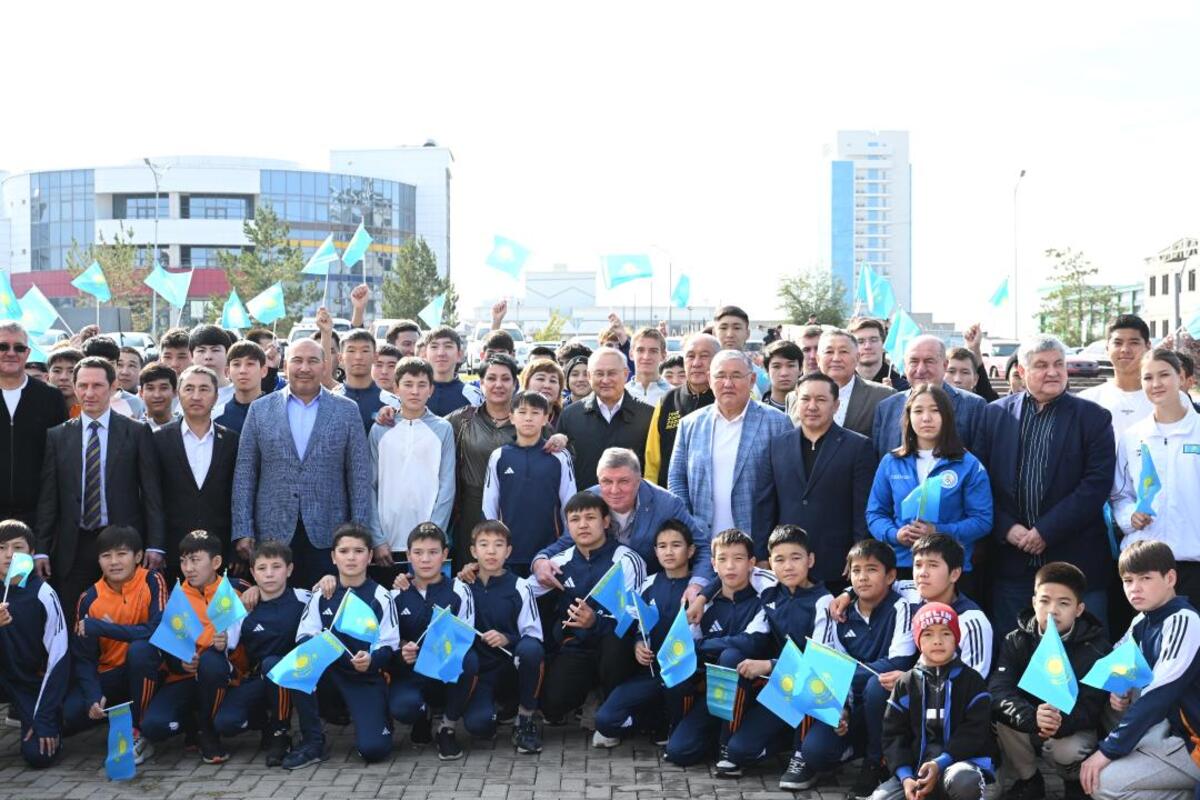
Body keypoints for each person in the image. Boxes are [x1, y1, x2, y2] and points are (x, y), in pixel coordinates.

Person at [976, 335, 1116, 633]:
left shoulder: (1093, 418)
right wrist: (1006, 528)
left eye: (1058, 364)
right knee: (1014, 650)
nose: (1052, 372)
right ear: (1022, 371)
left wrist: (1046, 530)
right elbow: (979, 483)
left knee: (1084, 653)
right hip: (1011, 564)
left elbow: (1096, 484)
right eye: (1041, 365)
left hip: (1076, 563)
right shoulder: (994, 415)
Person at [232, 339, 380, 589]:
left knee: (327, 604)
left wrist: (360, 532)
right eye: (297, 361)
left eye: (312, 361)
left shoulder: (346, 410)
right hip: (272, 533)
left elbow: (359, 475)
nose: (304, 368)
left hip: (330, 533)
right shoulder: (260, 410)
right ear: (285, 365)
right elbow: (245, 473)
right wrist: (242, 529)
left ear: (325, 366)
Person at [36, 356, 165, 624]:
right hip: (74, 545)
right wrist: (42, 549)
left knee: (123, 621)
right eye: (83, 385)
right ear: (74, 387)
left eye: (97, 385)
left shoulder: (136, 432)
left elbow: (152, 493)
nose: (89, 393)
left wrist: (155, 544)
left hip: (123, 542)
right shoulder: (58, 436)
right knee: (73, 620)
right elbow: (49, 498)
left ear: (113, 386)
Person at [1081, 540, 1200, 800]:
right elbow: (1112, 666)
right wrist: (1119, 689)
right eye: (1128, 580)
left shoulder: (1185, 621)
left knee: (1102, 783)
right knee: (1114, 700)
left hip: (1192, 740)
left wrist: (1107, 750)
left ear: (1170, 578)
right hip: (1167, 730)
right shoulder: (1141, 620)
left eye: (1145, 578)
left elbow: (1159, 695)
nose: (1135, 588)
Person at [797, 540, 914, 797]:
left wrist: (841, 676)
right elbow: (830, 664)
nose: (862, 577)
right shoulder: (839, 612)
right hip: (851, 699)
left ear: (890, 576)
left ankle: (876, 762)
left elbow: (897, 663)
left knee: (877, 685)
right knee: (815, 752)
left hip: (886, 701)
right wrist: (844, 706)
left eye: (872, 569)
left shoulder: (902, 606)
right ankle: (854, 747)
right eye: (856, 570)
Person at [990, 561, 1109, 800]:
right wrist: (1032, 716)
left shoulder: (1096, 647)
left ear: (1079, 609)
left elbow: (1093, 706)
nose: (1052, 610)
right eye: (1044, 601)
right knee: (1001, 718)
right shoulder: (1016, 640)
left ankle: (1073, 781)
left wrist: (1058, 722)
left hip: (1070, 729)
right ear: (1034, 602)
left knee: (1067, 751)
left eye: (1063, 603)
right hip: (1028, 722)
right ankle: (1029, 779)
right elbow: (999, 690)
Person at [721, 526, 832, 779]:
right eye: (780, 560)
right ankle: (784, 739)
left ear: (810, 560)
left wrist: (769, 665)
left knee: (811, 680)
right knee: (739, 751)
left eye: (796, 558)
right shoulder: (769, 591)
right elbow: (727, 573)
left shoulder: (824, 601)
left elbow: (817, 662)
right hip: (783, 688)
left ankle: (801, 756)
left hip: (816, 689)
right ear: (770, 563)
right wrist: (701, 598)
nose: (788, 566)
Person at [529, 493, 646, 727]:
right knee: (552, 706)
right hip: (578, 647)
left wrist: (595, 622)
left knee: (615, 642)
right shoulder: (559, 562)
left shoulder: (627, 560)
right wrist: (477, 573)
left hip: (615, 647)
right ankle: (591, 695)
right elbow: (520, 592)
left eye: (590, 518)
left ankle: (613, 709)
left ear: (606, 522)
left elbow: (635, 620)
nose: (582, 525)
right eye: (575, 519)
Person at [287, 524, 398, 768]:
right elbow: (304, 636)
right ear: (333, 557)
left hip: (363, 677)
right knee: (298, 666)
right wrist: (322, 646)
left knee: (373, 750)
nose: (351, 557)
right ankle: (312, 742)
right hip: (329, 673)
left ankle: (380, 719)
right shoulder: (322, 593)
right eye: (344, 551)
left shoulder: (381, 596)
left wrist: (371, 660)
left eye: (358, 551)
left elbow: (389, 645)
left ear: (370, 556)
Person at [755, 372, 877, 591]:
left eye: (821, 400)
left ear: (836, 405)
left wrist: (858, 553)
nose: (812, 406)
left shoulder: (858, 447)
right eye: (805, 399)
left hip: (837, 564)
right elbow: (764, 505)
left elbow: (863, 508)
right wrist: (763, 555)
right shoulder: (776, 446)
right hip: (787, 563)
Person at [866, 384, 992, 594]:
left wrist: (938, 531)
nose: (926, 418)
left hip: (949, 568)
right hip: (902, 566)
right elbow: (875, 513)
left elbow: (982, 520)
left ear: (947, 416)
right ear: (908, 416)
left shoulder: (967, 464)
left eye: (935, 410)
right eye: (918, 411)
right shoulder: (891, 461)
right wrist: (895, 534)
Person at [663, 528, 772, 768]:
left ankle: (729, 742)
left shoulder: (764, 597)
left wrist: (702, 646)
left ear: (751, 563)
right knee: (679, 752)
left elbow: (751, 642)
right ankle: (693, 731)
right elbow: (686, 648)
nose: (730, 566)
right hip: (715, 692)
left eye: (738, 558)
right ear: (713, 564)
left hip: (753, 692)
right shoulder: (703, 605)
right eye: (722, 559)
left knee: (732, 656)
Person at [869, 602, 999, 800]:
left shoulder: (972, 681)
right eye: (928, 634)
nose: (937, 641)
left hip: (957, 765)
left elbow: (975, 732)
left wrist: (940, 763)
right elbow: (893, 735)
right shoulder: (906, 683)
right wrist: (905, 777)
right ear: (917, 640)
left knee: (965, 782)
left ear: (956, 638)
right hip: (916, 770)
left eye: (946, 633)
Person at [669, 350, 791, 559]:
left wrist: (772, 548)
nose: (728, 383)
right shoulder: (690, 424)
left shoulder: (777, 422)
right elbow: (676, 479)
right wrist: (689, 526)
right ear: (709, 379)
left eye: (736, 376)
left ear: (752, 380)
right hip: (703, 544)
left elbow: (787, 487)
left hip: (756, 547)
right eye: (720, 376)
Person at [140, 530, 247, 764]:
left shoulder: (237, 590)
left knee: (212, 662)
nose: (188, 568)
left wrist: (227, 647)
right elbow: (167, 647)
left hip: (224, 677)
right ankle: (191, 724)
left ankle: (208, 733)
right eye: (183, 561)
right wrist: (181, 663)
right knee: (154, 726)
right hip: (185, 679)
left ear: (216, 562)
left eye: (195, 560)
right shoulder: (176, 596)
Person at [63, 525, 164, 763]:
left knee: (140, 650)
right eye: (106, 555)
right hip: (110, 674)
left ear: (138, 557)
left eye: (122, 554)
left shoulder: (152, 580)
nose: (114, 562)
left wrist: (102, 627)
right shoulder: (89, 598)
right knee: (69, 715)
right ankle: (118, 716)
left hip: (149, 670)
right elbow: (84, 658)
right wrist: (93, 695)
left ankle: (139, 730)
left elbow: (155, 631)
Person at [592, 519, 695, 748]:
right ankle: (653, 722)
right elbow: (636, 623)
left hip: (685, 675)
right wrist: (638, 644)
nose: (669, 552)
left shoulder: (698, 589)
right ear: (655, 551)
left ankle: (675, 726)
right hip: (652, 673)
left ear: (690, 551)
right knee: (605, 720)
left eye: (676, 545)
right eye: (662, 546)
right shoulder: (648, 584)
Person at [1112, 349, 1200, 602]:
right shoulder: (1133, 436)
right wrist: (1130, 516)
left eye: (1164, 375)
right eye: (1148, 378)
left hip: (1193, 564)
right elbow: (1120, 494)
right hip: (1144, 567)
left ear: (1181, 377)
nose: (1156, 384)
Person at [213, 541, 311, 767]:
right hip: (258, 678)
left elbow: (334, 598)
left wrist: (328, 579)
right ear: (253, 572)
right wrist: (220, 643)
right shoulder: (242, 606)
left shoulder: (305, 598)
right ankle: (265, 724)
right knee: (226, 723)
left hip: (298, 676)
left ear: (289, 569)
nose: (269, 574)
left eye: (276, 567)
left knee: (273, 664)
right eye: (262, 568)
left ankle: (281, 733)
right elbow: (226, 645)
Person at [387, 523, 476, 760]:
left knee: (469, 659)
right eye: (418, 552)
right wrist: (402, 648)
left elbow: (465, 636)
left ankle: (447, 727)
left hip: (445, 670)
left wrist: (435, 650)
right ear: (408, 555)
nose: (425, 559)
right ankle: (421, 715)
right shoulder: (395, 594)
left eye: (433, 552)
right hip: (412, 673)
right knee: (403, 708)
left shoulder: (459, 590)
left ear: (445, 554)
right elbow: (388, 640)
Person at [460, 521, 545, 754]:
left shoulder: (521, 586)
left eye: (498, 545)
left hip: (511, 667)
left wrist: (507, 638)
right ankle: (495, 711)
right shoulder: (462, 586)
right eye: (484, 545)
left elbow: (533, 635)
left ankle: (525, 718)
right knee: (479, 726)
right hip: (481, 672)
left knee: (531, 650)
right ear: (473, 551)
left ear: (508, 551)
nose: (491, 551)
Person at [153, 366, 239, 580]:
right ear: (178, 394)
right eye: (189, 389)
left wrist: (235, 545)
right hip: (172, 551)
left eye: (204, 389)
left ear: (216, 396)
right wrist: (156, 545)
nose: (196, 396)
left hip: (219, 551)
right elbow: (151, 497)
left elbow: (238, 496)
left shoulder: (231, 441)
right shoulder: (157, 439)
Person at [370, 357, 455, 563]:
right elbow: (369, 485)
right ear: (396, 388)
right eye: (408, 384)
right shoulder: (380, 429)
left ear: (431, 389)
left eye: (422, 385)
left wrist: (434, 535)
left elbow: (447, 486)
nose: (415, 391)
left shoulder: (443, 429)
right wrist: (377, 538)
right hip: (387, 541)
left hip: (428, 543)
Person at [482, 391, 577, 572]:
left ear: (545, 418)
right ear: (511, 417)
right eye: (522, 412)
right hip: (509, 554)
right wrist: (494, 547)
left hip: (550, 553)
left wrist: (565, 546)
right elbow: (489, 507)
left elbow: (570, 505)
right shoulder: (499, 456)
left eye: (535, 413)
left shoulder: (559, 456)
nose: (528, 418)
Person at [0, 520, 68, 768]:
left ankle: (38, 719)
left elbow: (59, 657)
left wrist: (45, 717)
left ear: (31, 553)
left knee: (39, 755)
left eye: (17, 547)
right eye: (1, 548)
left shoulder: (44, 594)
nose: (9, 555)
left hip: (29, 683)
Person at [871, 336, 987, 460]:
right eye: (914, 361)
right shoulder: (886, 408)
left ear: (945, 365)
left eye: (929, 361)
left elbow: (980, 462)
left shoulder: (974, 406)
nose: (921, 369)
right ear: (905, 366)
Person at [0, 322, 68, 526]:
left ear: (28, 353)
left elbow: (61, 458)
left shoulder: (51, 398)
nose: (11, 353)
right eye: (3, 346)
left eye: (19, 348)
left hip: (38, 515)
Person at [558, 348, 655, 490]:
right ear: (589, 376)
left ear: (626, 374)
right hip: (585, 500)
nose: (605, 380)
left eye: (612, 373)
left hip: (634, 499)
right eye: (599, 373)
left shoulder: (647, 415)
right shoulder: (570, 415)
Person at [644, 333, 718, 487]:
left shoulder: (728, 398)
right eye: (690, 356)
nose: (696, 363)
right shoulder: (667, 400)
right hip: (670, 493)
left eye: (704, 356)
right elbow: (652, 460)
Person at [808, 328, 895, 439]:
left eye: (843, 352)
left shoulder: (883, 396)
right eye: (829, 352)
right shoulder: (796, 397)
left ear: (857, 357)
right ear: (818, 359)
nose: (836, 358)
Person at [1079, 314, 1154, 442]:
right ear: (1107, 348)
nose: (1125, 349)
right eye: (1118, 343)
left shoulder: (1171, 399)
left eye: (1134, 343)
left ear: (1148, 346)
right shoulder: (1086, 401)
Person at [82, 336, 146, 419]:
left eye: (111, 364)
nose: (105, 370)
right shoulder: (75, 401)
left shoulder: (134, 403)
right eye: (97, 365)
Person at [426, 326, 483, 417]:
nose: (441, 353)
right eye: (434, 347)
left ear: (459, 355)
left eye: (448, 346)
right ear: (425, 354)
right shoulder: (412, 392)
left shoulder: (473, 396)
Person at [336, 329, 384, 433]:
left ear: (375, 357)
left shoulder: (389, 402)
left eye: (365, 351)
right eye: (351, 351)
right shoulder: (331, 400)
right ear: (340, 358)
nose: (358, 357)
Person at [215, 340, 268, 435]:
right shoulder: (216, 416)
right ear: (227, 372)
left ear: (264, 371)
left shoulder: (278, 412)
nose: (243, 370)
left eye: (250, 364)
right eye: (236, 364)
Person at [850, 317, 908, 390]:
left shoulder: (903, 387)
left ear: (884, 344)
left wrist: (894, 395)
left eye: (873, 340)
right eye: (860, 341)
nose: (867, 346)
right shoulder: (840, 384)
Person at [625, 327, 670, 405]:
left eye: (653, 351)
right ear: (631, 354)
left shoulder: (674, 395)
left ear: (663, 355)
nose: (646, 357)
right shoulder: (620, 395)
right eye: (640, 350)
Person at [959, 324, 1001, 403]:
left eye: (965, 372)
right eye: (951, 371)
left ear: (975, 379)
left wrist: (974, 348)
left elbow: (987, 394)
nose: (957, 379)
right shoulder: (936, 400)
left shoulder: (979, 404)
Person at [520, 358, 565, 427]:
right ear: (526, 383)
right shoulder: (514, 417)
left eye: (553, 381)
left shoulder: (567, 419)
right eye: (540, 379)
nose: (547, 386)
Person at [762, 339, 802, 412]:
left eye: (791, 365)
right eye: (776, 366)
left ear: (800, 369)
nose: (784, 373)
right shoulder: (756, 412)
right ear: (767, 371)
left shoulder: (811, 410)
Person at [138, 363, 179, 430]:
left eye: (163, 388)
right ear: (141, 393)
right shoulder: (132, 430)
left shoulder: (184, 427)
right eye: (150, 388)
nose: (157, 395)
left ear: (174, 392)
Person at [245, 328, 286, 394]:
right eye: (269, 349)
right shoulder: (242, 382)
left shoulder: (284, 386)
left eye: (278, 350)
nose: (274, 353)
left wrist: (272, 371)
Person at [47, 347, 83, 418]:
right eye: (57, 371)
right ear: (48, 375)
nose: (63, 377)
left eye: (72, 371)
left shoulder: (94, 411)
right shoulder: (38, 407)